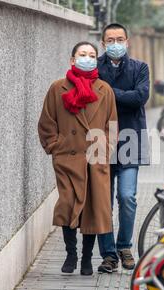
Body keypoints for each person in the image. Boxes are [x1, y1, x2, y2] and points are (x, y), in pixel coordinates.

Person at [38, 41, 118, 276]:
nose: (88, 58)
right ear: (72, 60)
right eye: (82, 54)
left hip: (95, 160)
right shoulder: (57, 88)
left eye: (92, 55)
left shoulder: (105, 89)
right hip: (67, 158)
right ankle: (71, 253)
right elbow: (46, 122)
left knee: (92, 209)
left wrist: (105, 148)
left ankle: (86, 259)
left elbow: (111, 125)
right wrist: (55, 146)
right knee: (68, 205)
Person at [96, 23, 151, 273]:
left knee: (127, 197)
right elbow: (90, 98)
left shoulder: (140, 68)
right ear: (103, 43)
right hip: (99, 140)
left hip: (131, 138)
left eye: (119, 39)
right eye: (110, 39)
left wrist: (106, 92)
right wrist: (122, 95)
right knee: (102, 201)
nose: (115, 43)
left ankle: (124, 246)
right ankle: (108, 255)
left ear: (127, 41)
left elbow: (140, 97)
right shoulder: (94, 68)